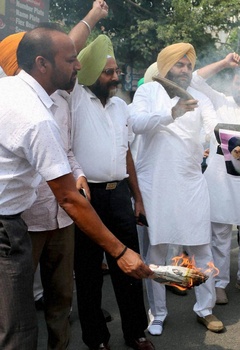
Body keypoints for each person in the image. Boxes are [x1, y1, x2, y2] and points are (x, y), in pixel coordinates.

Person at [0, 25, 150, 350]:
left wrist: (78, 172)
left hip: (55, 213)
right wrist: (120, 252)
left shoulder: (11, 91)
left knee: (52, 304)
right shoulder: (39, 114)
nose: (78, 66)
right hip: (15, 222)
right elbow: (68, 196)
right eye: (71, 60)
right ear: (42, 64)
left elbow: (67, 155)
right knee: (18, 328)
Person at [130, 42, 223, 335]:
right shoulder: (147, 91)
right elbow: (136, 123)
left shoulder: (198, 98)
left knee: (201, 248)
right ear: (166, 65)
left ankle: (205, 308)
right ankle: (157, 313)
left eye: (188, 66)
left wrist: (211, 136)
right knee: (156, 253)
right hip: (154, 184)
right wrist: (173, 113)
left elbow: (214, 126)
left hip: (191, 181)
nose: (184, 70)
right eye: (179, 65)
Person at [69, 34, 154, 350]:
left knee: (129, 266)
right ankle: (96, 340)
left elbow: (126, 153)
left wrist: (138, 199)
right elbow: (71, 49)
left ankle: (136, 333)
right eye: (108, 72)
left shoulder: (121, 106)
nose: (116, 77)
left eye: (116, 71)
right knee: (89, 273)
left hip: (119, 196)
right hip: (86, 198)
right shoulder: (75, 99)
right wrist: (92, 17)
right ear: (90, 73)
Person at [192, 53, 240, 302]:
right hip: (220, 178)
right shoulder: (219, 101)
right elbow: (194, 80)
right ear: (232, 83)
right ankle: (221, 282)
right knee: (221, 233)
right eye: (237, 83)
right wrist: (224, 63)